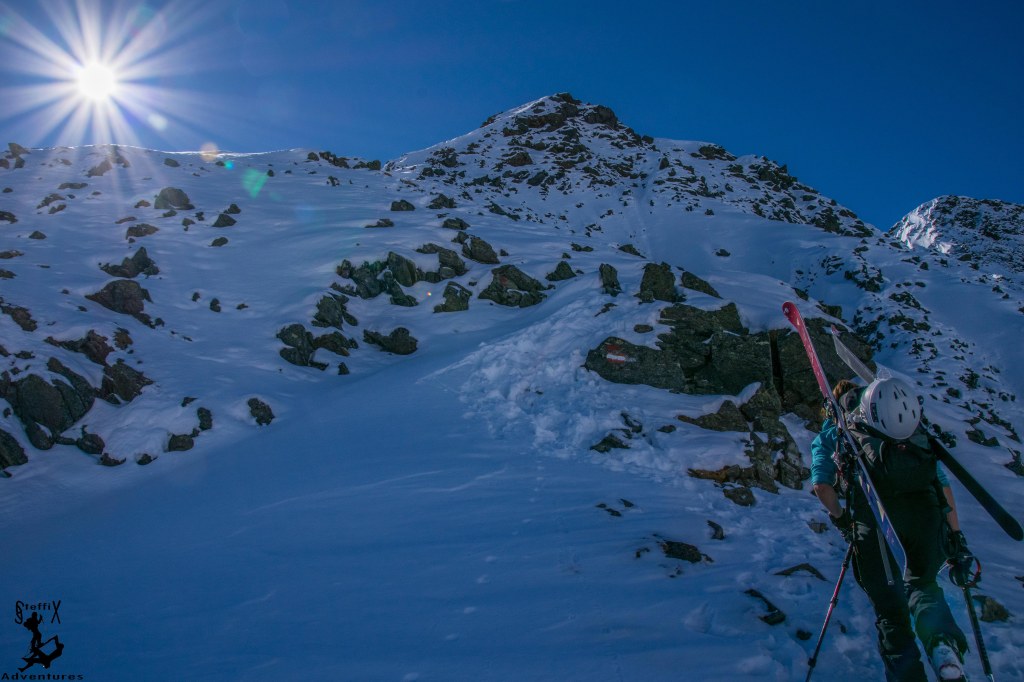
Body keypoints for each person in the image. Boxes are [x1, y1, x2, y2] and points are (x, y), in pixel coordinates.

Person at [810, 377, 975, 682]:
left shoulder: (835, 433)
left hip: (876, 525)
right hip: (926, 518)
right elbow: (941, 483)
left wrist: (842, 519)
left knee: (891, 614)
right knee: (924, 586)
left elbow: (822, 486)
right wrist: (956, 537)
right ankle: (942, 643)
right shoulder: (898, 426)